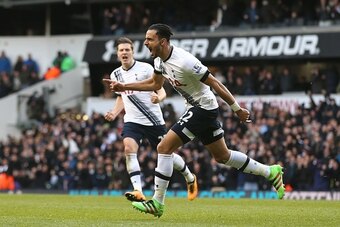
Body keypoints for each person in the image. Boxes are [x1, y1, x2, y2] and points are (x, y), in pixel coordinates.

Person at [104, 24, 285, 217]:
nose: (145, 43)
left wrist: (236, 109)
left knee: (164, 148)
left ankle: (157, 203)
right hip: (197, 109)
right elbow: (155, 84)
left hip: (204, 109)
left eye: (150, 39)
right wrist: (124, 86)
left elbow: (215, 83)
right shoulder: (158, 60)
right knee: (222, 156)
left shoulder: (185, 61)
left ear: (162, 42)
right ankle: (270, 172)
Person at [104, 37, 198, 203]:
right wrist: (114, 112)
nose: (124, 52)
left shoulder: (146, 68)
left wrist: (158, 98)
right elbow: (121, 97)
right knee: (128, 148)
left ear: (133, 51)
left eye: (127, 49)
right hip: (132, 121)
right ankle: (138, 190)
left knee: (167, 154)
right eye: (121, 50)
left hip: (153, 120)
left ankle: (189, 177)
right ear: (117, 54)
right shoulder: (115, 74)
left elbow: (161, 90)